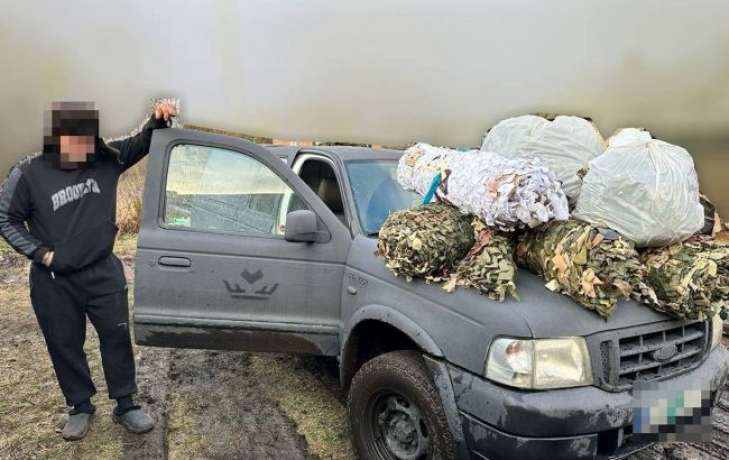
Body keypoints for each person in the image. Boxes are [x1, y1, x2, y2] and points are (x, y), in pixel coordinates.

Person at [0, 100, 177, 440]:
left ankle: (126, 404)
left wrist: (158, 118)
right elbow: (6, 219)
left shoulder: (106, 158)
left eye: (87, 140)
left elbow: (144, 140)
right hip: (54, 280)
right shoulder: (29, 173)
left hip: (102, 271)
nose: (83, 148)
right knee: (64, 343)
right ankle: (79, 406)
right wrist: (42, 255)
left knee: (115, 336)